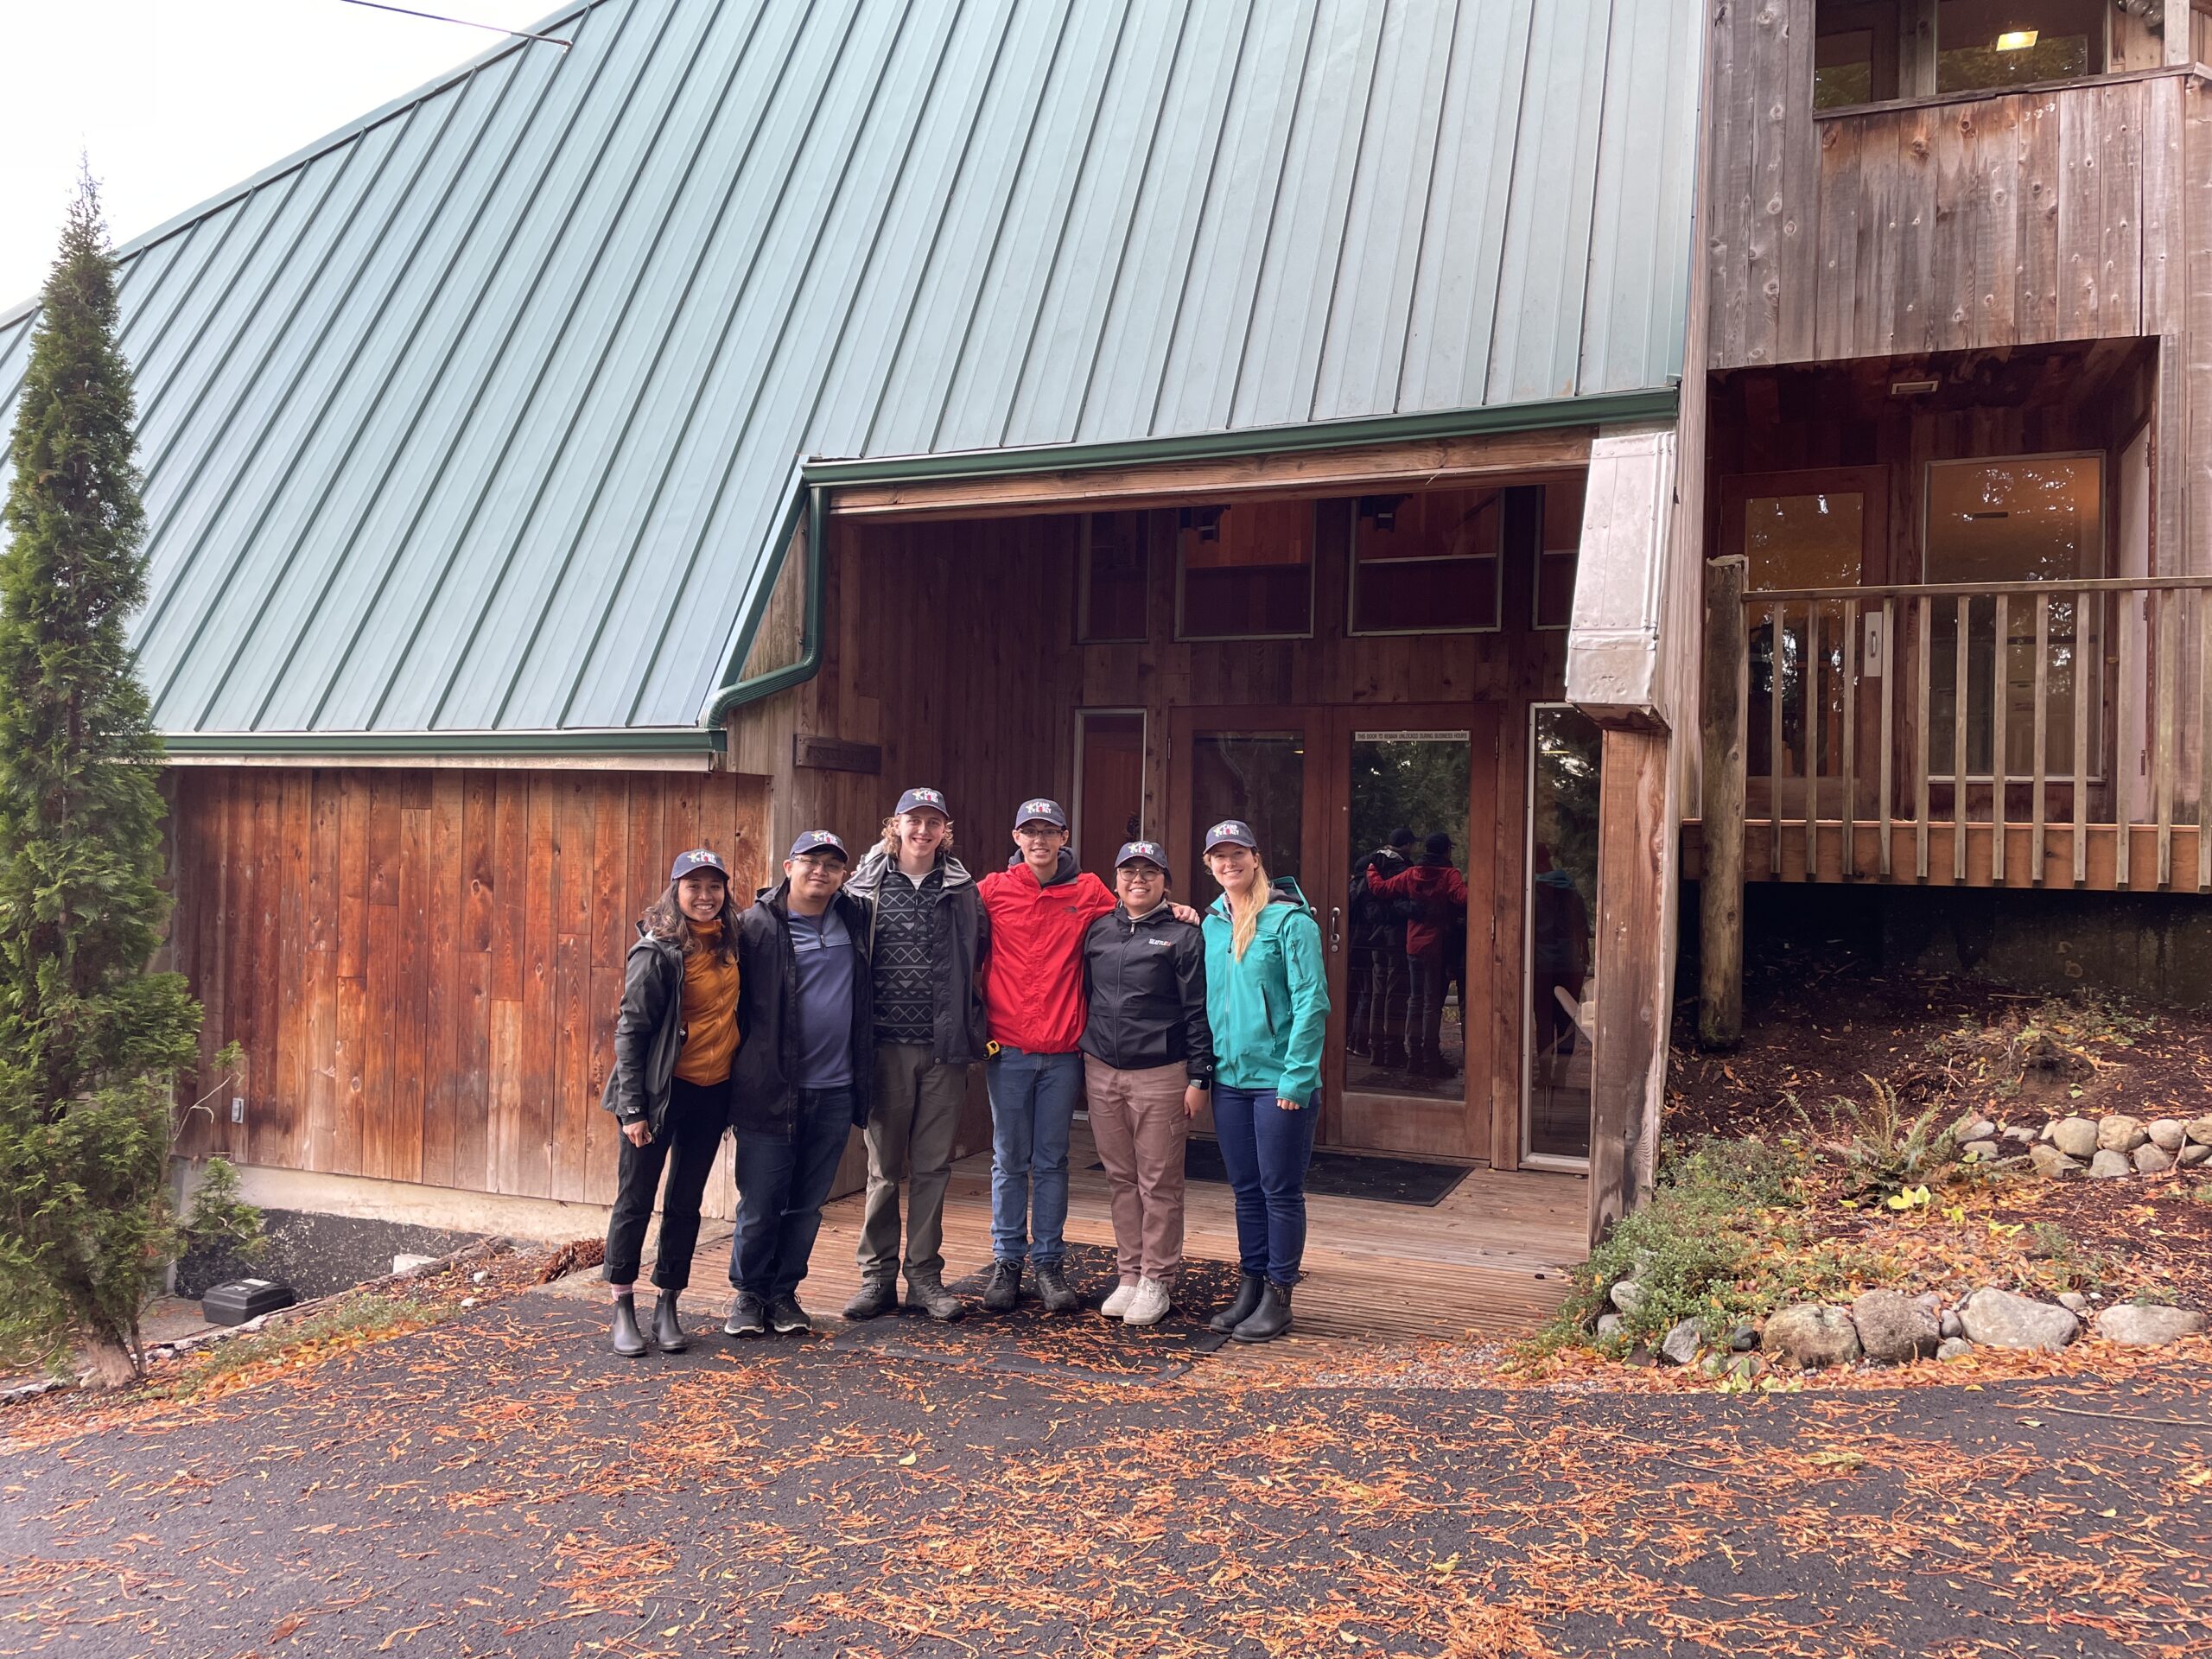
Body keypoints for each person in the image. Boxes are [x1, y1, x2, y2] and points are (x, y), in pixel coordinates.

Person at [841, 788, 988, 1322]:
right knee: (883, 1169)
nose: (923, 831)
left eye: (934, 822)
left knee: (933, 1168)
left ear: (944, 830)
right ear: (896, 825)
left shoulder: (963, 890)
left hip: (944, 1051)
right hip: (883, 1047)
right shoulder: (862, 888)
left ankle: (924, 1276)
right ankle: (876, 1278)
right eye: (914, 821)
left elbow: (988, 955)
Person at [725, 830, 873, 1338]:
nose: (821, 871)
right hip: (771, 1089)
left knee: (806, 1203)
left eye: (833, 864)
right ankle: (748, 1294)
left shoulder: (855, 919)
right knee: (762, 1200)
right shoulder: (755, 927)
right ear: (788, 866)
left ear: (844, 875)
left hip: (835, 1089)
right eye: (811, 861)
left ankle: (785, 1294)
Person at [974, 798, 1117, 1313]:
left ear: (1064, 837)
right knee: (1009, 1159)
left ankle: (1049, 1263)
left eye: (1049, 832)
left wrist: (1181, 911)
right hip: (1007, 1048)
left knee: (1052, 1161)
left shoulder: (1089, 890)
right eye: (1029, 832)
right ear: (1016, 837)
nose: (1039, 840)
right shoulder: (991, 890)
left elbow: (1133, 919)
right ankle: (1007, 1262)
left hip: (1062, 1053)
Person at [599, 849, 743, 1358]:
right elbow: (631, 1033)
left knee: (686, 1203)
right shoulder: (657, 952)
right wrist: (633, 1109)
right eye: (694, 887)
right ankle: (622, 1306)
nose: (705, 897)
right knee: (636, 1200)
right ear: (676, 891)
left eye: (714, 887)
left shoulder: (732, 943)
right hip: (659, 1094)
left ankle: (668, 1303)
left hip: (712, 1091)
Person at [1198, 820, 1328, 1344]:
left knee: (1279, 1190)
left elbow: (1312, 1003)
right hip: (1230, 1078)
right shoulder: (1209, 923)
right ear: (1209, 864)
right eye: (1218, 856)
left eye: (1237, 854)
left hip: (1279, 1080)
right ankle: (1250, 1284)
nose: (1229, 863)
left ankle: (1280, 1293)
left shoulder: (1291, 921)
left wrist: (1297, 1078)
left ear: (1255, 857)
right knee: (1245, 1191)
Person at [1080, 840, 1211, 1326]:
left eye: (1149, 872)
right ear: (1115, 878)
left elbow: (1198, 1010)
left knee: (1159, 1181)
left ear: (1165, 882)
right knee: (1120, 1178)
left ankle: (1158, 1277)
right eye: (1129, 871)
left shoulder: (1183, 935)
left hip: (1161, 1073)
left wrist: (1199, 1076)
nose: (1139, 879)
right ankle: (1129, 1273)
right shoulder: (1097, 930)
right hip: (1102, 1070)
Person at [1369, 831, 1468, 1078]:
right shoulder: (1450, 874)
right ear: (1446, 851)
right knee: (1432, 1004)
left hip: (1413, 945)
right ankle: (1430, 1057)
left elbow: (1381, 888)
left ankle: (1413, 1057)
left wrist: (1372, 867)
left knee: (1415, 1000)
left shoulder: (1412, 873)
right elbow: (1464, 898)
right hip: (1438, 945)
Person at [1346, 829, 1415, 1065]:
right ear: (1406, 846)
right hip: (1396, 938)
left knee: (1376, 994)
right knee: (1395, 994)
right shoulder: (1404, 870)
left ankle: (1375, 1048)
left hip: (1372, 940)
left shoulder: (1371, 867)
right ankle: (1392, 1049)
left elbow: (1367, 905)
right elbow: (1408, 903)